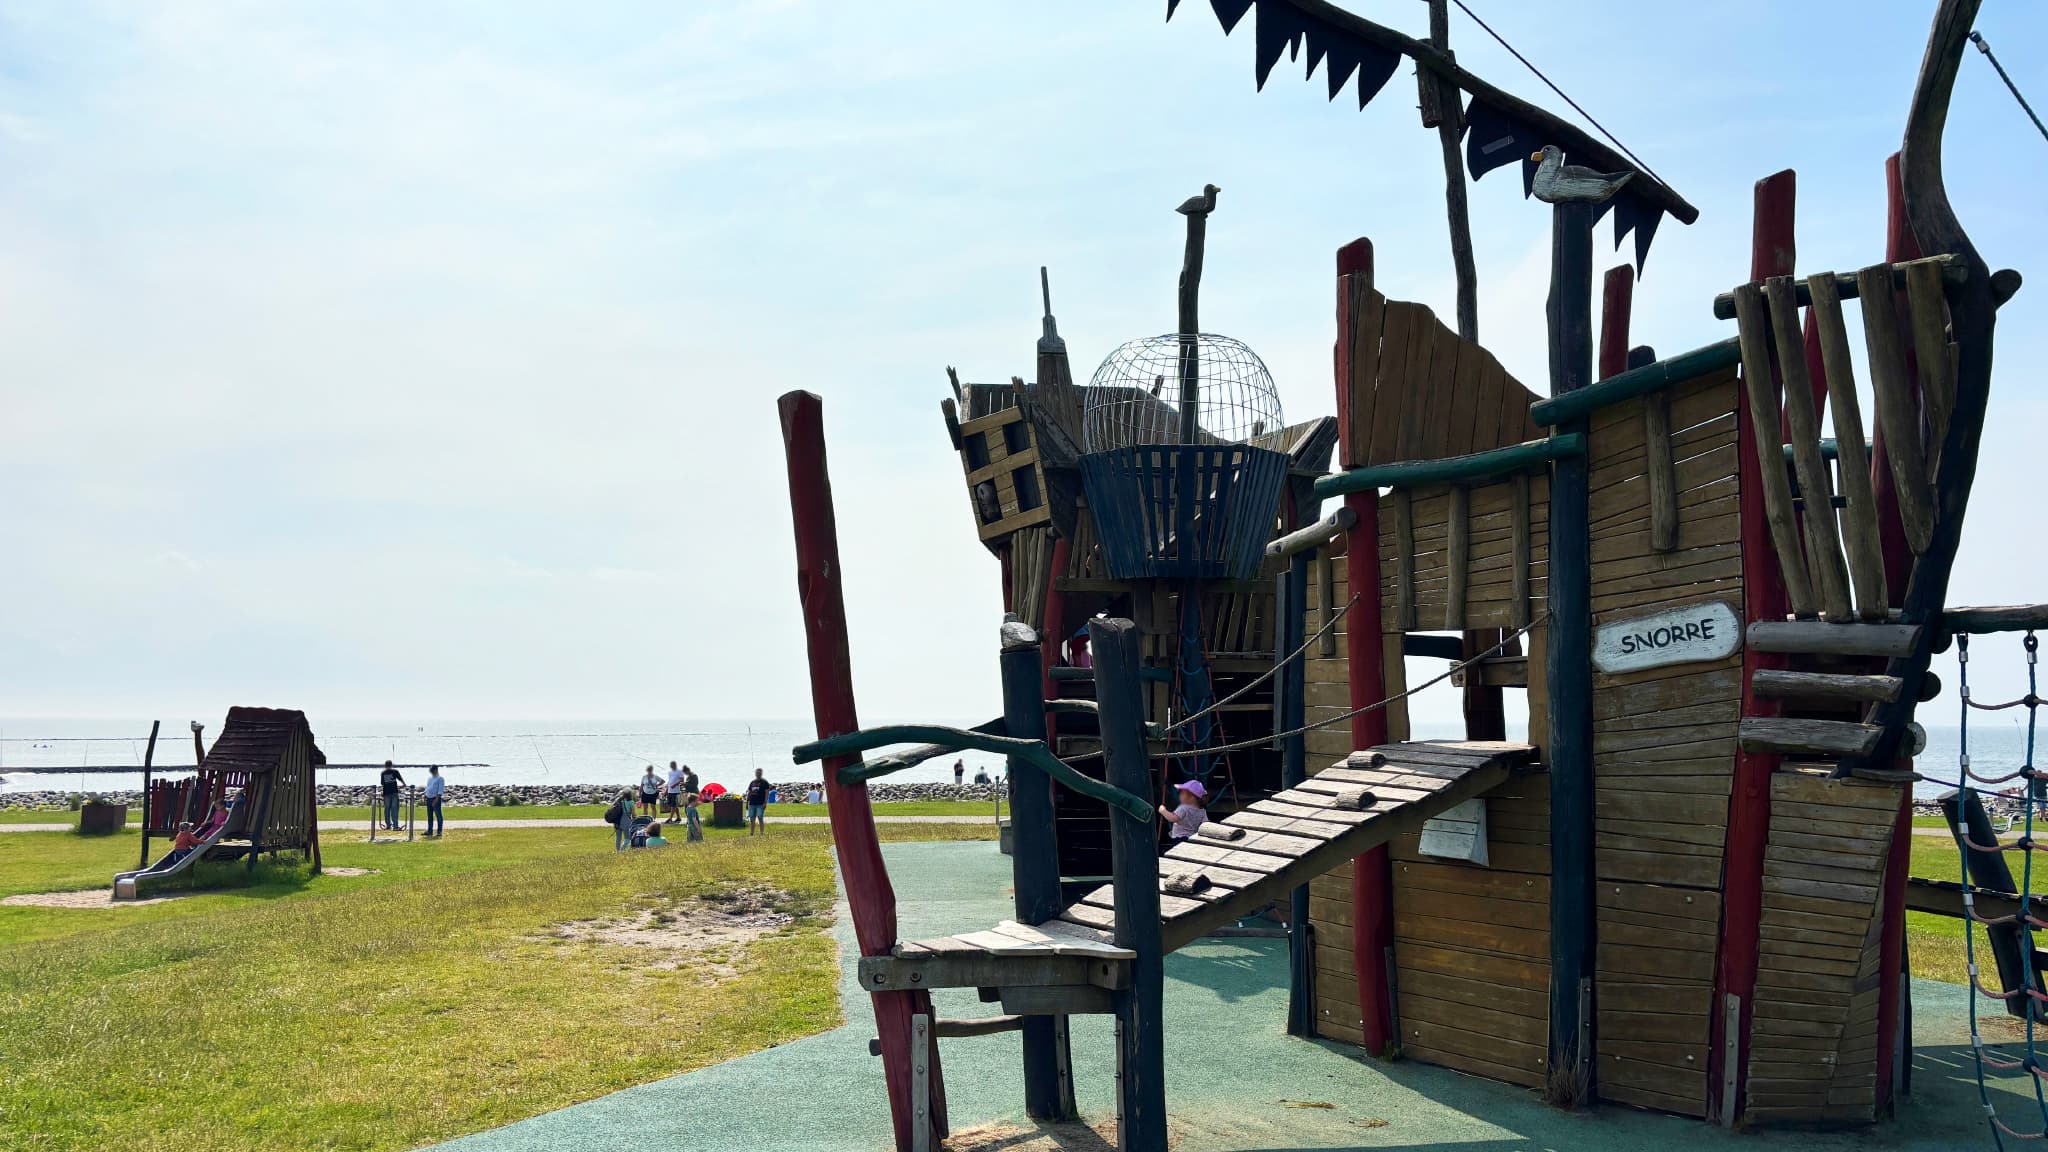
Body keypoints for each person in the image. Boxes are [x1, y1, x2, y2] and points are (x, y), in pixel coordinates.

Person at [379, 761, 406, 831]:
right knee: (394, 809)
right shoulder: (395, 771)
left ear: (385, 765)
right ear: (391, 765)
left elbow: (382, 783)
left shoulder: (383, 773)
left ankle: (388, 825)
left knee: (387, 809)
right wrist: (404, 784)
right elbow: (400, 778)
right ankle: (395, 826)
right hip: (394, 792)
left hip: (386, 793)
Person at [744, 769, 771, 836]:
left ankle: (762, 833)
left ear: (761, 773)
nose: (758, 774)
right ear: (755, 773)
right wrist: (747, 802)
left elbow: (767, 793)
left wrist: (765, 802)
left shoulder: (764, 782)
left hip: (760, 803)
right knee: (752, 819)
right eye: (757, 773)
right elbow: (749, 792)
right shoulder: (752, 782)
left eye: (759, 773)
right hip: (752, 803)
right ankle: (752, 833)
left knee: (760, 818)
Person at [423, 766, 446, 838]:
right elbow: (428, 787)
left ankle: (439, 831)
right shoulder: (430, 778)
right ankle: (430, 831)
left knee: (438, 816)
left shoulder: (440, 779)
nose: (432, 772)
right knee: (429, 816)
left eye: (432, 770)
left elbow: (440, 791)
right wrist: (425, 795)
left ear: (436, 770)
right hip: (429, 798)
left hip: (435, 799)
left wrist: (436, 800)